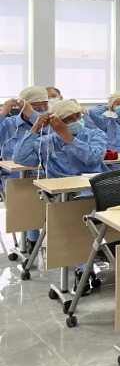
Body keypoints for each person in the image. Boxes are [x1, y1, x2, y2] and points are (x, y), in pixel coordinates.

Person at [14, 99, 109, 295]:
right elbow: (20, 158)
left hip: (95, 192)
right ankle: (83, 269)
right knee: (75, 214)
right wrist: (35, 128)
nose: (75, 121)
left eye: (77, 116)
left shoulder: (95, 135)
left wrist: (67, 136)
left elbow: (93, 157)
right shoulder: (46, 142)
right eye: (68, 119)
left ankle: (96, 259)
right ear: (57, 122)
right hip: (65, 198)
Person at [0, 86, 52, 251]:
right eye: (36, 105)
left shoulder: (49, 121)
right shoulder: (10, 124)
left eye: (45, 104)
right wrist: (3, 112)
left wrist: (34, 115)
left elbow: (56, 133)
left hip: (46, 175)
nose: (42, 108)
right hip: (15, 178)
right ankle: (31, 241)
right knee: (28, 205)